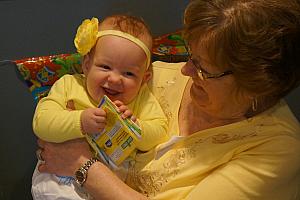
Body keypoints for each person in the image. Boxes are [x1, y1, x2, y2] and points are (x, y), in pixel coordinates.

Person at [35, 0, 300, 199]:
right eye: (190, 55)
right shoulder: (153, 77)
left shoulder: (278, 151)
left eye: (202, 68)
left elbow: (76, 155)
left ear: (256, 85)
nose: (184, 70)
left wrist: (82, 165)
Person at [31, 14, 168, 199]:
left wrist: (137, 128)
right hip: (61, 178)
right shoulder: (70, 85)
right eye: (105, 67)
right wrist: (79, 121)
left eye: (128, 73)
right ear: (87, 65)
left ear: (145, 79)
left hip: (110, 183)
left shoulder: (141, 98)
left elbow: (160, 130)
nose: (114, 79)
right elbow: (41, 123)